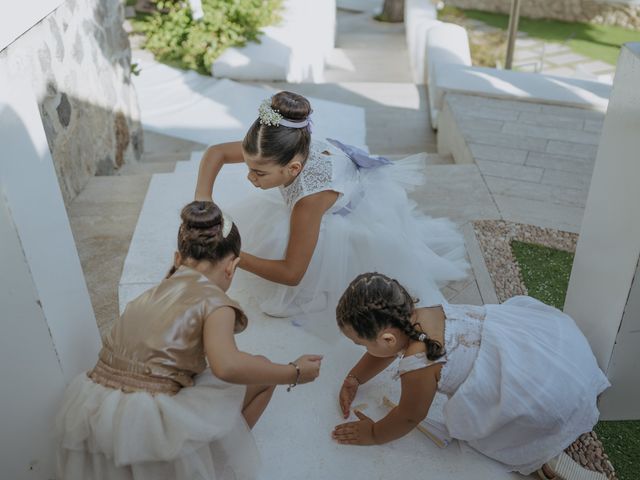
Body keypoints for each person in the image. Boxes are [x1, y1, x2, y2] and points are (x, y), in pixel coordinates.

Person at [55, 201, 322, 480]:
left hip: (94, 409)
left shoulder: (155, 292)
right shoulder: (216, 302)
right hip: (146, 420)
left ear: (177, 258)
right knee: (263, 373)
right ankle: (213, 465)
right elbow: (228, 366)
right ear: (232, 267)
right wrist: (294, 372)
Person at [194, 91, 468, 333]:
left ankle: (321, 292)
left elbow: (292, 274)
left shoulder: (309, 201)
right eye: (248, 166)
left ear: (293, 169)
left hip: (347, 218)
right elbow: (216, 153)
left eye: (259, 173)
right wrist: (203, 200)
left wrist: (233, 254)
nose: (249, 178)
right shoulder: (279, 145)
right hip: (327, 191)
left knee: (292, 278)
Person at [332, 272, 610, 480]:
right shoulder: (420, 315)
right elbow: (386, 349)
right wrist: (356, 377)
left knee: (496, 429)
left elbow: (409, 415)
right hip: (540, 356)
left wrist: (375, 433)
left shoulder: (418, 366)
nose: (361, 349)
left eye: (360, 343)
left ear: (388, 338)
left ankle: (544, 456)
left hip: (538, 399)